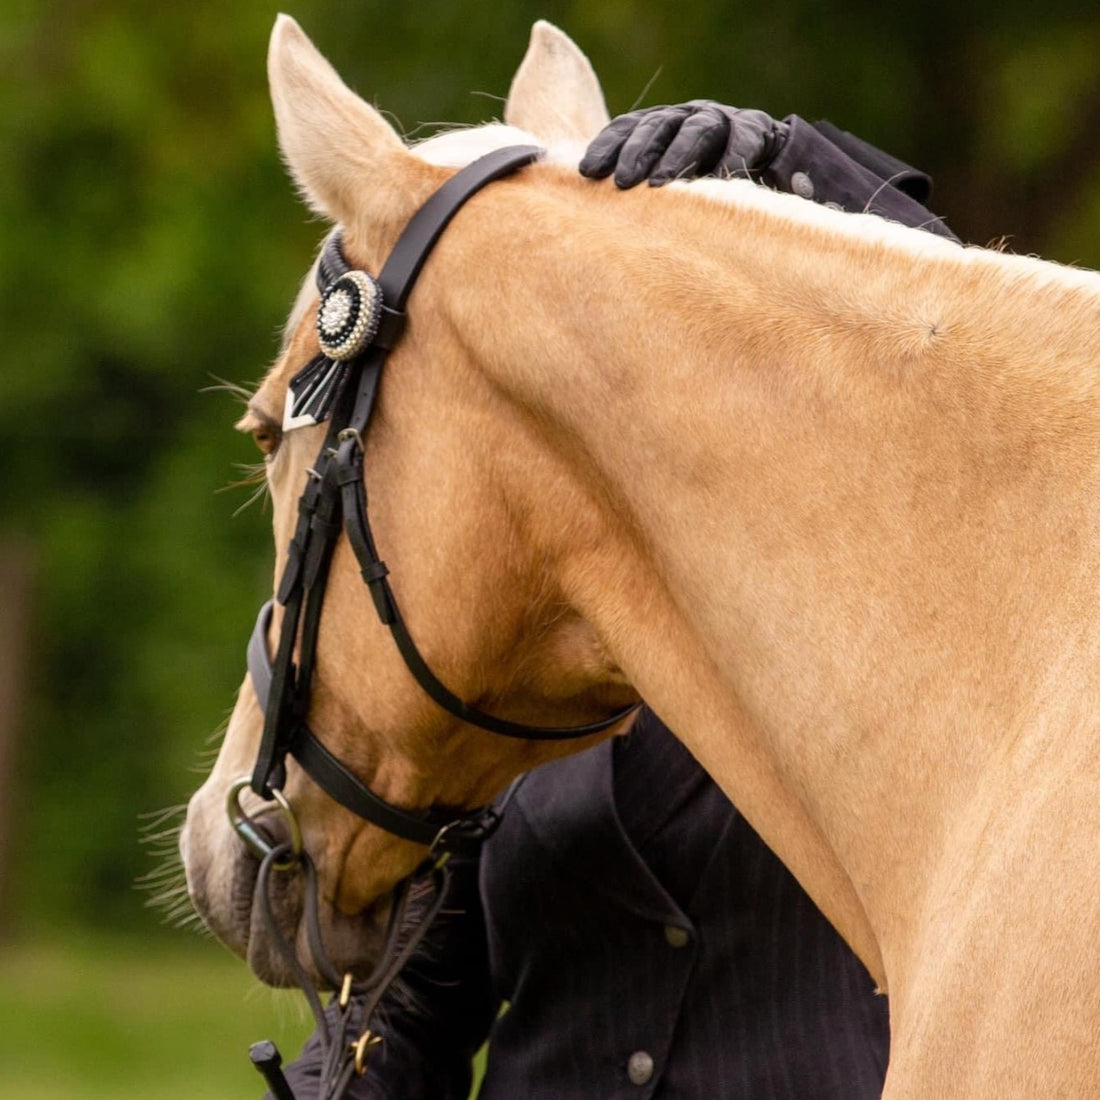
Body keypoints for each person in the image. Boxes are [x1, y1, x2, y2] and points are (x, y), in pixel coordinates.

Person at [269, 102, 956, 1100]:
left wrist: (790, 158)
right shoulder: (497, 675)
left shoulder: (873, 616)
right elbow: (413, 1015)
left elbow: (969, 367)